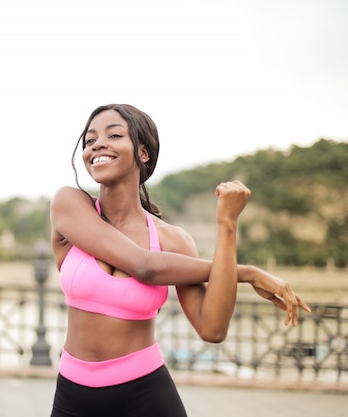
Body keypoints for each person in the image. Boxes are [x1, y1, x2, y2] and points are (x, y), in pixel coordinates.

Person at [49, 103, 310, 416]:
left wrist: (227, 225)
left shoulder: (173, 241)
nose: (97, 145)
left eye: (114, 135)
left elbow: (212, 329)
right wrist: (250, 273)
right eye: (90, 140)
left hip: (144, 396)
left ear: (143, 153)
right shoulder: (69, 205)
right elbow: (144, 266)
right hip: (72, 398)